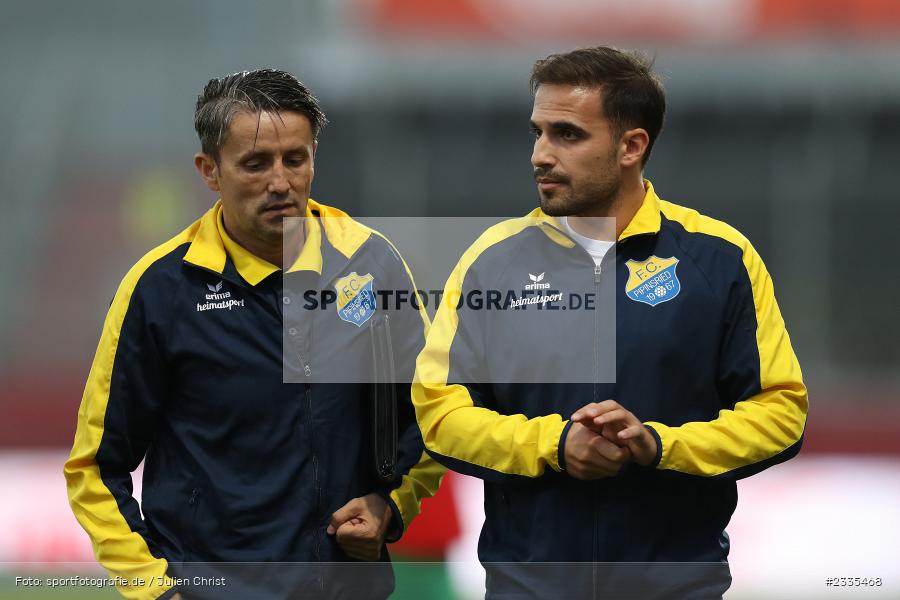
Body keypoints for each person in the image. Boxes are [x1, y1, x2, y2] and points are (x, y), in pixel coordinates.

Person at [412, 47, 808, 599]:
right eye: (538, 132)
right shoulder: (492, 260)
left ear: (631, 146)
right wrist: (555, 445)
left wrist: (658, 446)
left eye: (567, 135)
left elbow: (780, 411)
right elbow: (440, 410)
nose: (540, 155)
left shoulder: (721, 259)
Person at [64, 69, 443, 600]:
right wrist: (155, 589)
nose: (281, 182)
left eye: (296, 158)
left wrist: (391, 503)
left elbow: (434, 413)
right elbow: (95, 467)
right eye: (255, 163)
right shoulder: (160, 289)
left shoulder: (372, 262)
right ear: (210, 171)